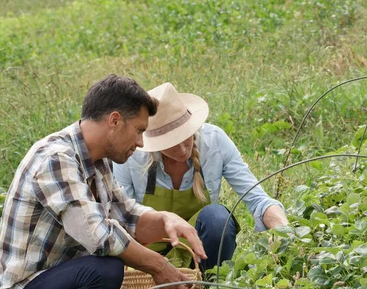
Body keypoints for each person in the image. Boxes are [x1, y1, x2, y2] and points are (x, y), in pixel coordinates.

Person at [0, 75, 207, 289]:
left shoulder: (98, 161)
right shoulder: (56, 158)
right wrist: (159, 266)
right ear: (114, 121)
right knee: (105, 269)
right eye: (139, 130)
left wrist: (166, 221)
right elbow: (99, 237)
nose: (140, 142)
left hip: (64, 287)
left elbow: (128, 217)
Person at [113, 82, 288, 271]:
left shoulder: (214, 142)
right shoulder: (131, 156)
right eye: (170, 143)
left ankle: (209, 284)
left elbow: (257, 200)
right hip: (148, 255)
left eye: (184, 136)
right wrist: (156, 268)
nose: (181, 150)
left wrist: (286, 232)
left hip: (200, 252)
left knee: (218, 218)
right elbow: (122, 220)